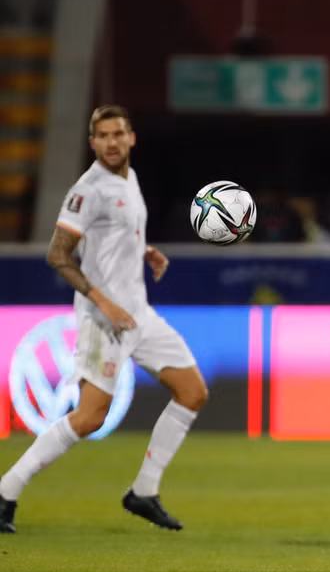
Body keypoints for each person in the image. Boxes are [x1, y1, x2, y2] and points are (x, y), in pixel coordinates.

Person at [0, 105, 208, 533]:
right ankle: (6, 489)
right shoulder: (88, 190)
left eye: (119, 134)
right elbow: (58, 254)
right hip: (103, 319)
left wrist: (142, 250)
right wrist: (103, 301)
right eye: (103, 136)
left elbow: (113, 234)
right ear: (92, 142)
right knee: (91, 416)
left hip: (138, 313)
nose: (112, 142)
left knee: (191, 391)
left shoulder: (127, 179)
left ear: (132, 138)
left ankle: (143, 492)